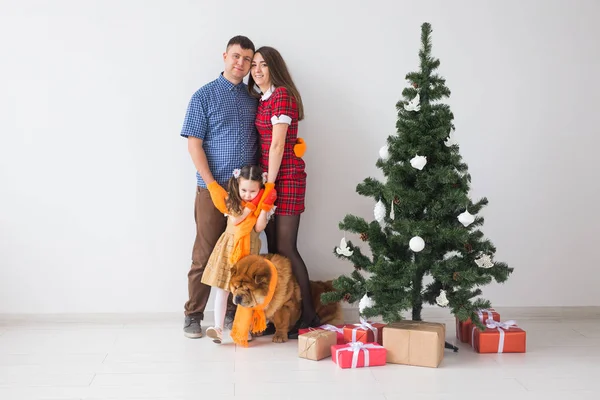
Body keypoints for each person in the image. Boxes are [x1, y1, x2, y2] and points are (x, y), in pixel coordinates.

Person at [179, 35, 258, 339]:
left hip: (247, 193)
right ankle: (193, 315)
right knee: (205, 254)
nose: (241, 63)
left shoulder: (254, 97)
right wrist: (212, 186)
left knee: (241, 255)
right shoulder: (204, 96)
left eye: (247, 59)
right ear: (225, 56)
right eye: (236, 56)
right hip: (213, 191)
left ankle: (232, 315)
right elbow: (194, 145)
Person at [248, 46, 320, 334]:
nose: (257, 70)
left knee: (288, 248)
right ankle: (280, 316)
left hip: (285, 179)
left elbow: (278, 145)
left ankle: (310, 315)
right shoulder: (263, 99)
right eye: (254, 65)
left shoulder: (281, 96)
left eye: (263, 65)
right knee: (275, 249)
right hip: (269, 181)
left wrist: (269, 186)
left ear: (274, 68)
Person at [201, 165, 276, 344]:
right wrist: (251, 205)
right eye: (244, 190)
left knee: (247, 292)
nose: (247, 194)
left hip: (248, 255)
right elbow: (235, 219)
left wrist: (264, 206)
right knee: (222, 291)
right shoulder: (233, 201)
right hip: (229, 250)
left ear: (260, 190)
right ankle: (218, 329)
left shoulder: (258, 207)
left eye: (253, 191)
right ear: (237, 186)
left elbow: (259, 227)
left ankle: (244, 328)